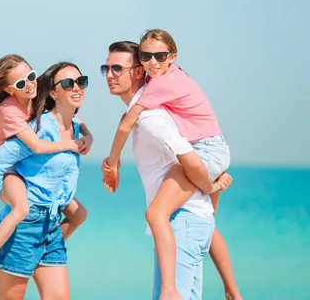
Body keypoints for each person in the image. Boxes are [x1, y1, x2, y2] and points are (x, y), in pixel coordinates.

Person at [101, 40, 242, 300]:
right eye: (106, 68)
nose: (109, 75)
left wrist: (211, 185)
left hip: (182, 225)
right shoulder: (144, 113)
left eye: (117, 68)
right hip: (191, 224)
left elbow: (190, 159)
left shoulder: (150, 118)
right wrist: (113, 163)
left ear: (138, 71)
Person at [0, 55, 91, 299]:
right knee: (20, 208)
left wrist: (87, 139)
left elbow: (77, 121)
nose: (76, 86)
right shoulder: (32, 124)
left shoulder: (67, 121)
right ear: (54, 93)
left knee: (79, 214)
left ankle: (40, 252)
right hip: (19, 209)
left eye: (81, 81)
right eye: (68, 83)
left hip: (50, 222)